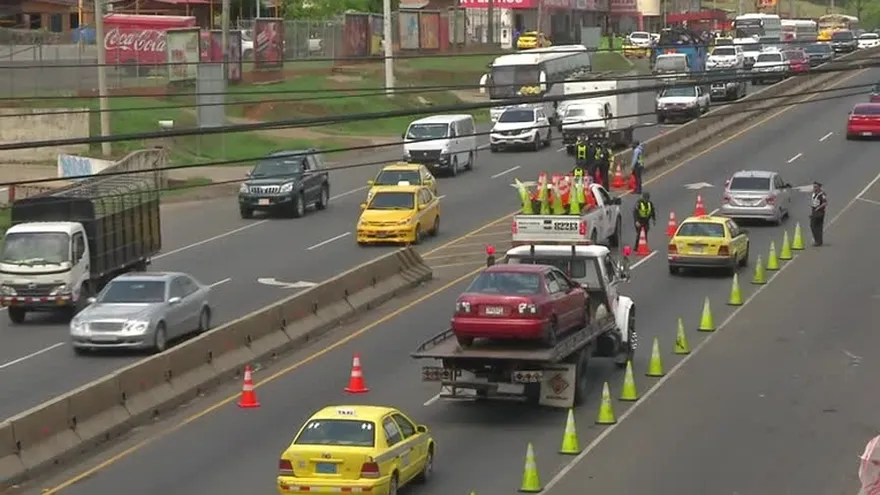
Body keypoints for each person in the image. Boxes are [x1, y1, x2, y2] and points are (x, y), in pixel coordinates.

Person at [809, 181, 827, 246]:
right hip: (814, 212)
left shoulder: (822, 194)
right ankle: (819, 241)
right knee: (816, 227)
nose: (814, 188)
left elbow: (825, 203)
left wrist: (818, 208)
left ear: (819, 187)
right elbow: (813, 203)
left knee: (814, 226)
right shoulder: (814, 194)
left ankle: (818, 241)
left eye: (816, 187)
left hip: (819, 213)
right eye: (814, 187)